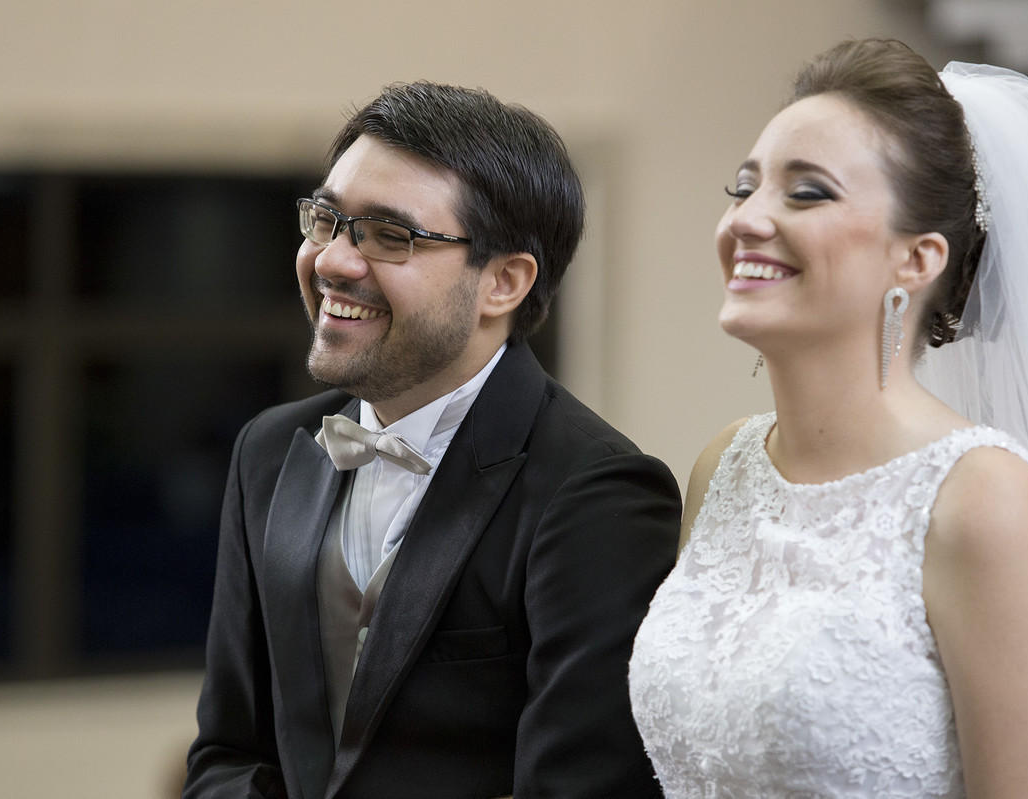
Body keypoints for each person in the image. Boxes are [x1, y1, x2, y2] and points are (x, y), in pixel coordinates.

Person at [183, 81, 682, 799]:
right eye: (327, 219)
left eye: (391, 235)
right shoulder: (268, 451)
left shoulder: (598, 491)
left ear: (504, 281)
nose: (331, 260)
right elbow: (228, 754)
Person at [629, 38, 1028, 798]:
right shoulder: (723, 466)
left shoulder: (984, 498)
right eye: (743, 187)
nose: (747, 221)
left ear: (917, 259)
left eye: (807, 193)